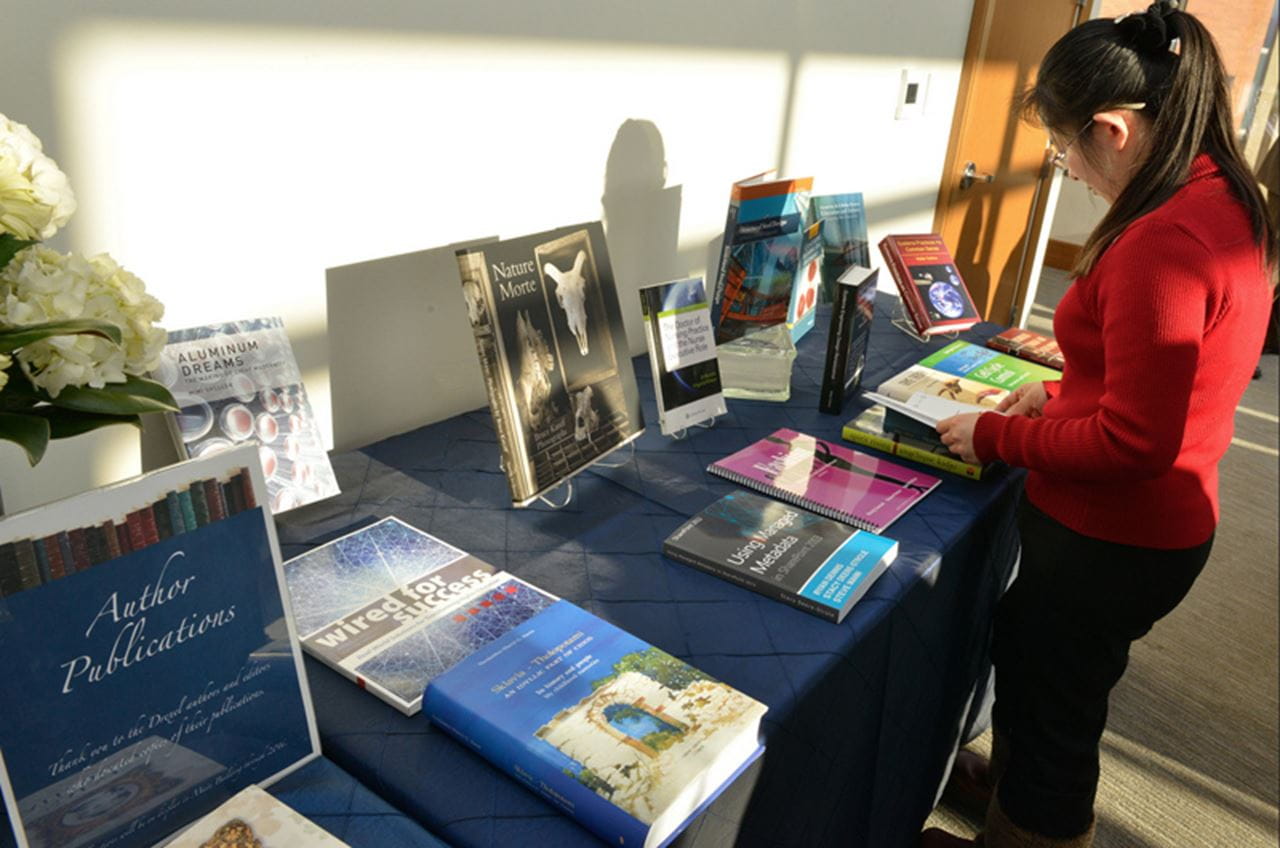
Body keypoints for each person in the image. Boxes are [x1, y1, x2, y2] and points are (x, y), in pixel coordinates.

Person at [921, 2, 1276, 847]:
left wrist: (998, 436)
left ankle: (1031, 822)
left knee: (1054, 722)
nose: (1067, 170)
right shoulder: (1220, 192)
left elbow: (1136, 442)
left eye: (1064, 148)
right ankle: (1006, 791)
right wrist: (1067, 390)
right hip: (1160, 529)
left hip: (1113, 537)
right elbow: (1171, 382)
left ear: (1113, 129)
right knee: (1051, 685)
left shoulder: (1165, 239)